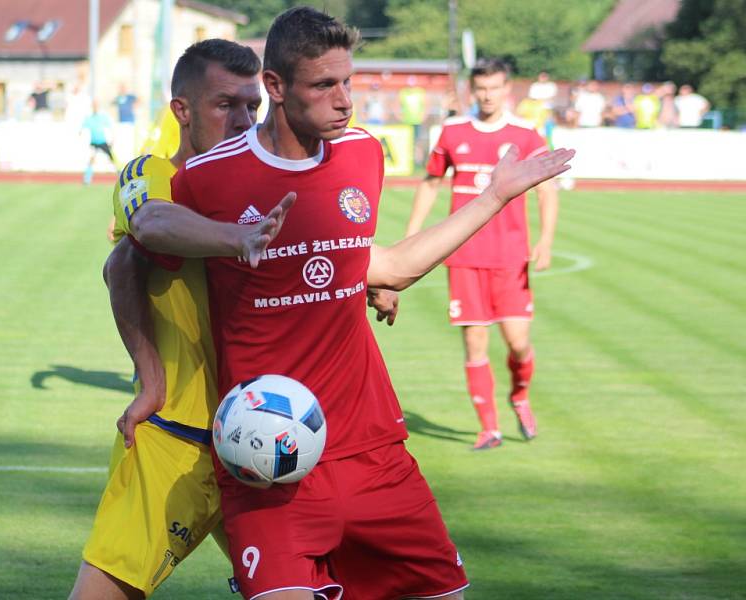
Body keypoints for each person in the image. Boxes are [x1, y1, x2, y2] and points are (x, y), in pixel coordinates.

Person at [129, 8, 573, 599]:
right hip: (270, 462)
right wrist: (154, 373)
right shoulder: (211, 176)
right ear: (277, 88)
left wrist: (493, 196)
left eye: (348, 82)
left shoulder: (363, 154)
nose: (344, 100)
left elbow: (385, 265)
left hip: (375, 452)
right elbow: (140, 238)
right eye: (324, 85)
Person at [69, 39, 279, 600]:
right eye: (225, 105)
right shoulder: (154, 174)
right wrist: (152, 378)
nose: (242, 121)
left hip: (268, 440)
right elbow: (134, 250)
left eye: (252, 107)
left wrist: (372, 283)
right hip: (173, 438)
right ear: (182, 111)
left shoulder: (266, 187)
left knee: (314, 589)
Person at [406, 58, 559, 452]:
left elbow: (547, 188)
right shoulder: (453, 131)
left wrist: (546, 239)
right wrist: (412, 232)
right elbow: (431, 181)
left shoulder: (525, 134)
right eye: (481, 89)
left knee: (518, 343)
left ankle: (520, 396)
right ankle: (488, 428)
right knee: (475, 343)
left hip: (510, 256)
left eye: (495, 88)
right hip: (465, 257)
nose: (488, 95)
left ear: (507, 89)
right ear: (472, 90)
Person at [80, 101, 118, 184]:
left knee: (112, 158)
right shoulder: (89, 118)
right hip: (94, 142)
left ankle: (120, 175)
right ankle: (87, 178)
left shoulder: (103, 117)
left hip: (103, 141)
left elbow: (110, 128)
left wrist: (112, 139)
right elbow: (82, 129)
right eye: (94, 105)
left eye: (96, 105)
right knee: (91, 159)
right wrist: (81, 136)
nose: (95, 107)